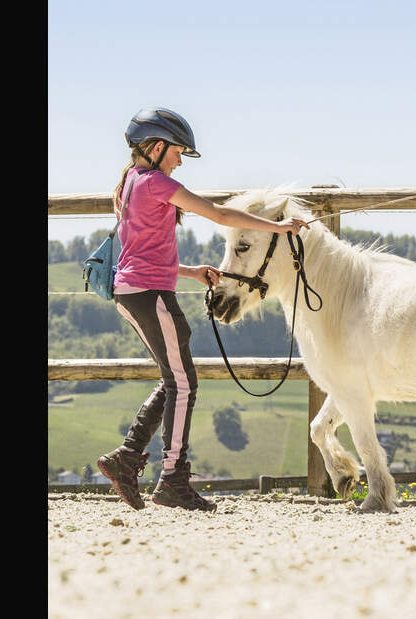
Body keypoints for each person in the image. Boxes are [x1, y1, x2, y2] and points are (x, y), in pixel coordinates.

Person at [95, 107, 309, 511]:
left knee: (174, 378)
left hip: (133, 291)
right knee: (185, 384)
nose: (180, 160)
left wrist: (191, 272)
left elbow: (140, 253)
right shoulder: (156, 182)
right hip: (151, 295)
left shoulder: (131, 184)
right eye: (178, 152)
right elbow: (220, 214)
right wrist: (279, 228)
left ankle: (126, 459)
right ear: (157, 148)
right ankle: (172, 479)